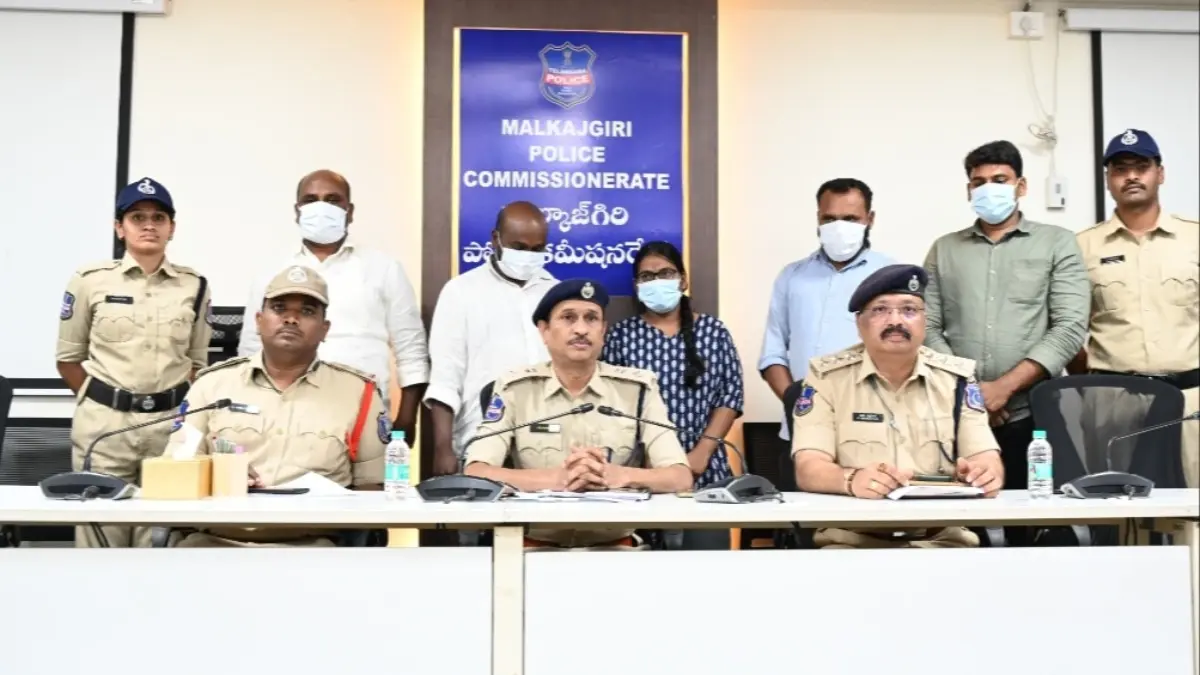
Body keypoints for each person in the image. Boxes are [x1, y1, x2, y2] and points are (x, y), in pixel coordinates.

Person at [165, 265, 388, 547]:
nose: (291, 319)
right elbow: (175, 466)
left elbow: (373, 487)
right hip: (212, 544)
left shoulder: (358, 393)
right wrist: (218, 471)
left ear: (325, 330)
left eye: (307, 311)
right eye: (279, 308)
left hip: (314, 550)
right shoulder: (211, 385)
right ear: (259, 321)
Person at [463, 279, 693, 549]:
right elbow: (476, 472)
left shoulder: (638, 390)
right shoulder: (514, 389)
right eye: (568, 318)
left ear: (603, 330)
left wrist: (618, 475)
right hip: (531, 552)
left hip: (616, 550)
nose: (581, 329)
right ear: (544, 331)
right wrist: (553, 480)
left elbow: (680, 477)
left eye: (591, 318)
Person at [791, 265, 1004, 549]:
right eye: (880, 310)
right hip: (851, 543)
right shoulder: (827, 378)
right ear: (859, 324)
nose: (895, 321)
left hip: (941, 541)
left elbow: (986, 457)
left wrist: (985, 474)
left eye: (909, 310)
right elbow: (808, 467)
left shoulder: (956, 379)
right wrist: (850, 479)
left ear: (925, 321)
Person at [923, 140, 1088, 500]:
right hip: (958, 413)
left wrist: (1003, 388)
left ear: (1021, 186)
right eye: (979, 182)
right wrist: (972, 393)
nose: (988, 189)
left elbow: (1069, 327)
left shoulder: (1057, 243)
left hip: (1034, 414)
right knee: (962, 515)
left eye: (1000, 180)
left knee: (1033, 514)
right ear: (969, 190)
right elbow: (928, 326)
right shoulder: (944, 249)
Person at [56, 177, 213, 548]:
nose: (148, 225)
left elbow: (197, 363)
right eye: (137, 217)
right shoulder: (89, 281)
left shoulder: (195, 286)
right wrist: (105, 403)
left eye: (159, 218)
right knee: (100, 542)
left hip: (168, 430)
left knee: (158, 542)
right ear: (119, 228)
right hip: (104, 431)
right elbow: (68, 360)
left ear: (171, 228)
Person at [237, 169, 428, 440]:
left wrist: (407, 418)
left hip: (363, 414)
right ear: (297, 211)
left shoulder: (384, 268)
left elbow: (411, 350)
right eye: (310, 200)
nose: (321, 208)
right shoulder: (272, 271)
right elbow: (250, 349)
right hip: (282, 416)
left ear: (350, 211)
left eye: (332, 200)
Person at [1071, 129, 1199, 486]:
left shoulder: (1194, 238)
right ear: (1108, 180)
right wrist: (1094, 385)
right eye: (1120, 169)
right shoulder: (1081, 246)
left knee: (1192, 502)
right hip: (1113, 400)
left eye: (1141, 167)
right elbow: (1068, 328)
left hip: (1190, 399)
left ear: (1161, 173)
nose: (1131, 176)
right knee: (1114, 503)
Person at [601, 241, 744, 550]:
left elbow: (731, 396)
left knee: (706, 563)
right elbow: (610, 404)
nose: (656, 281)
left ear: (683, 280)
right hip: (641, 475)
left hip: (705, 471)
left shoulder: (713, 331)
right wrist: (648, 469)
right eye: (647, 276)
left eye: (665, 273)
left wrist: (701, 454)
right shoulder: (621, 336)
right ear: (636, 286)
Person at [425, 201, 557, 477]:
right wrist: (442, 448)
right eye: (518, 247)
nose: (528, 256)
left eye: (537, 250)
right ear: (495, 239)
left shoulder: (555, 295)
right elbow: (445, 378)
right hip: (480, 443)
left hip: (547, 444)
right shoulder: (461, 292)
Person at [759, 178, 893, 444]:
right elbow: (772, 354)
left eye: (851, 219)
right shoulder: (792, 276)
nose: (839, 227)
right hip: (800, 430)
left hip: (871, 429)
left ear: (870, 219)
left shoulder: (889, 275)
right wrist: (796, 403)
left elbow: (902, 353)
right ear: (818, 219)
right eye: (830, 219)